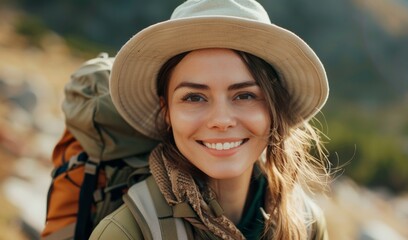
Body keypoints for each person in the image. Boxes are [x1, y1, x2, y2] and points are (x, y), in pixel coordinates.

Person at [90, 0, 330, 239]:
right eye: (194, 97)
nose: (221, 120)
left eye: (245, 95)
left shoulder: (305, 224)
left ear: (274, 109)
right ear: (167, 111)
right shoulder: (125, 233)